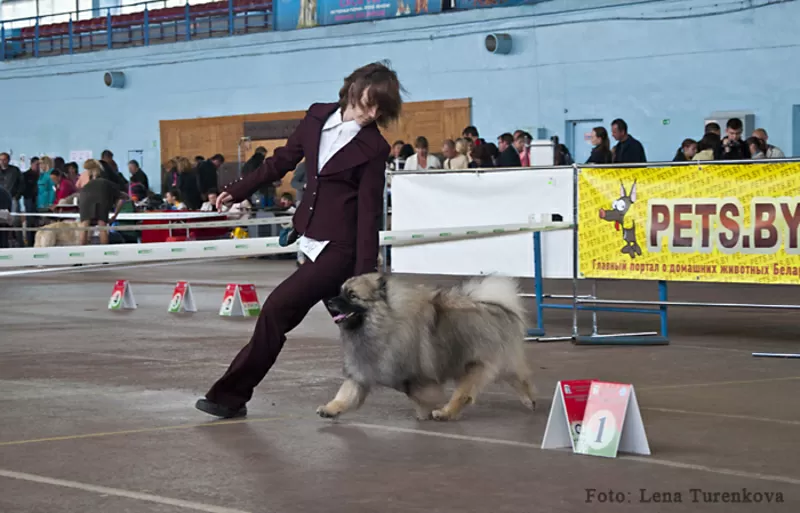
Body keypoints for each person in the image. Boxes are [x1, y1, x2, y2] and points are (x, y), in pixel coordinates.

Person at [195, 61, 402, 419]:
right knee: (359, 328)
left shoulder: (375, 147)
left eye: (381, 108)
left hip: (340, 250)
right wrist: (238, 190)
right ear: (353, 88)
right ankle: (422, 376)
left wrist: (365, 274)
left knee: (276, 311)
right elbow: (280, 162)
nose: (373, 113)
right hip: (309, 240)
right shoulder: (317, 116)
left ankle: (228, 396)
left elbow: (369, 212)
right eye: (369, 102)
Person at [78, 166, 128, 245]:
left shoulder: (89, 183)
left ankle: (81, 251)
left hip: (84, 196)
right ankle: (104, 252)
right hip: (101, 195)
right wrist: (115, 216)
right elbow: (122, 199)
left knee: (84, 227)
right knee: (102, 226)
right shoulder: (109, 183)